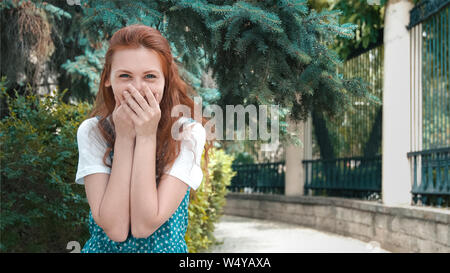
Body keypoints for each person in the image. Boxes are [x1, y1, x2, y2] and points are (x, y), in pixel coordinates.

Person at [74, 24, 210, 253]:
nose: (137, 88)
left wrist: (146, 136)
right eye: (125, 76)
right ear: (108, 79)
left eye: (150, 76)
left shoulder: (187, 134)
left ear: (165, 80)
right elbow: (115, 229)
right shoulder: (92, 131)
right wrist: (125, 138)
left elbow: (144, 225)